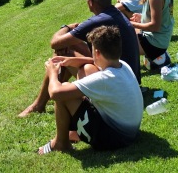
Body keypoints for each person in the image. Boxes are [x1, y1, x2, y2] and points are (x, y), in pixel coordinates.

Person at [19, 0, 141, 117]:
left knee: (63, 50)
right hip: (129, 78)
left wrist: (66, 27)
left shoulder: (98, 21)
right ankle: (46, 99)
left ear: (90, 1)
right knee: (67, 48)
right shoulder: (116, 13)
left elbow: (55, 43)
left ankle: (40, 103)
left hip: (116, 81)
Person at [37, 25, 143, 155]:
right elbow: (93, 62)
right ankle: (75, 133)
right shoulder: (122, 65)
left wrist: (52, 73)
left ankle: (60, 143)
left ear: (97, 52)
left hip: (116, 138)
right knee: (87, 68)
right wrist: (71, 61)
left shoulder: (105, 79)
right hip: (128, 131)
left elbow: (55, 93)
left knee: (63, 89)